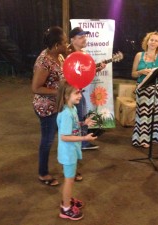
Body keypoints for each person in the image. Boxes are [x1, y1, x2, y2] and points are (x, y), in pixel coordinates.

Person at [56, 80, 97, 220]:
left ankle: (68, 200)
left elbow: (73, 126)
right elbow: (65, 137)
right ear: (67, 95)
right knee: (69, 180)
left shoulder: (72, 108)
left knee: (71, 178)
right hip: (68, 153)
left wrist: (83, 123)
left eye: (80, 92)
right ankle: (66, 208)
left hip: (71, 151)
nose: (80, 95)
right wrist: (84, 138)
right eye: (77, 92)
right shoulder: (66, 113)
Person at [32, 26, 67, 186]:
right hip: (46, 107)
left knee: (64, 135)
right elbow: (36, 88)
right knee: (47, 140)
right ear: (56, 45)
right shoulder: (44, 61)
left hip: (57, 105)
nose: (66, 45)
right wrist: (59, 91)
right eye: (64, 42)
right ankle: (43, 173)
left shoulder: (58, 56)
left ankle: (68, 166)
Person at [67, 27, 106, 150]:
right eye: (80, 37)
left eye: (85, 36)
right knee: (78, 116)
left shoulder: (83, 54)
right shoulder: (68, 54)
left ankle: (82, 142)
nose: (84, 39)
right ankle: (80, 143)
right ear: (72, 39)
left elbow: (82, 73)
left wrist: (96, 69)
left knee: (81, 115)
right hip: (70, 92)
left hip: (77, 91)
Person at [131, 31, 158, 148]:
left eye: (156, 41)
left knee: (154, 115)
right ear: (147, 41)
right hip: (142, 89)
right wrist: (141, 72)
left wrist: (155, 73)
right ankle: (141, 139)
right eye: (151, 40)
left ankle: (152, 137)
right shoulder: (139, 55)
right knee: (142, 115)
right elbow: (133, 74)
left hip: (155, 90)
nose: (153, 42)